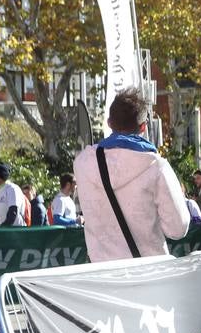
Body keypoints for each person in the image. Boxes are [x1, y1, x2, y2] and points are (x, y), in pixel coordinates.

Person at [73, 88, 190, 262]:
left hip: (102, 277)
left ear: (109, 123)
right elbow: (178, 229)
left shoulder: (83, 163)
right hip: (147, 274)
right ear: (143, 126)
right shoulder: (157, 167)